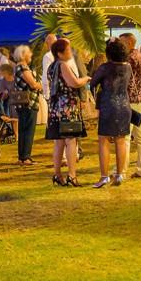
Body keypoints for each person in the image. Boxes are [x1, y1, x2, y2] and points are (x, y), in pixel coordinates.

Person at [45, 38, 89, 186]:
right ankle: (71, 175)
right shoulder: (63, 65)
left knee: (59, 143)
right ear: (60, 53)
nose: (70, 52)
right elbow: (74, 83)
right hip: (67, 107)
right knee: (71, 141)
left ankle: (57, 175)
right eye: (68, 50)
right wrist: (86, 79)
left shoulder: (51, 66)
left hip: (56, 107)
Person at [89, 39, 132, 188]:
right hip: (124, 105)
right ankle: (120, 174)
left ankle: (104, 176)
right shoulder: (128, 67)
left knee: (104, 141)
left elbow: (92, 83)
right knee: (121, 140)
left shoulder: (105, 67)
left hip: (108, 105)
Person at [119, 32, 141, 179]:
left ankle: (122, 170)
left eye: (122, 42)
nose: (120, 46)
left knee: (125, 136)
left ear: (129, 43)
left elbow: (124, 81)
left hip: (131, 101)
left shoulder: (129, 59)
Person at [9, 46, 42, 165]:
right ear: (23, 55)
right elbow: (32, 84)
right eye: (29, 53)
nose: (31, 55)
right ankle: (26, 156)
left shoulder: (19, 67)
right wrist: (40, 85)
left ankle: (22, 156)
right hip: (28, 103)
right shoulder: (23, 67)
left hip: (23, 103)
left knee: (23, 129)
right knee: (28, 129)